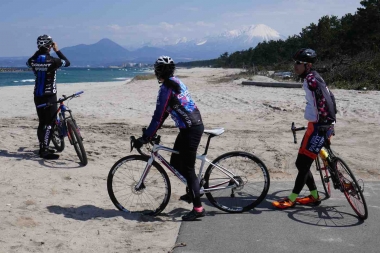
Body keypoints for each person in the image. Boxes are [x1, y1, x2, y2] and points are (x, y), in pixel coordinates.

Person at [134, 56, 205, 221]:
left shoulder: (166, 88)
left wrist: (145, 137)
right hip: (190, 127)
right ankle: (193, 190)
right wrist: (149, 134)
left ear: (157, 71)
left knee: (188, 168)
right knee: (175, 163)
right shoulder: (176, 82)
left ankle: (198, 208)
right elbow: (165, 112)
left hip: (191, 129)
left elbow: (158, 116)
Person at [272, 48, 337, 209]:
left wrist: (327, 124)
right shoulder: (312, 77)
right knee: (301, 163)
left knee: (303, 164)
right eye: (295, 63)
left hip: (319, 127)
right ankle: (314, 196)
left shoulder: (311, 80)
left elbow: (325, 100)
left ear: (307, 65)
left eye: (298, 63)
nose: (295, 66)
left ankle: (292, 198)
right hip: (314, 125)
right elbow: (332, 97)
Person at [26, 35, 71, 159]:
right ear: (50, 46)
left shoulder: (33, 61)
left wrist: (39, 50)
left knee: (42, 122)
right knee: (50, 122)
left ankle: (42, 146)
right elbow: (67, 63)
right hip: (50, 95)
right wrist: (57, 50)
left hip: (37, 95)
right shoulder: (53, 61)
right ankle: (44, 151)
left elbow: (28, 61)